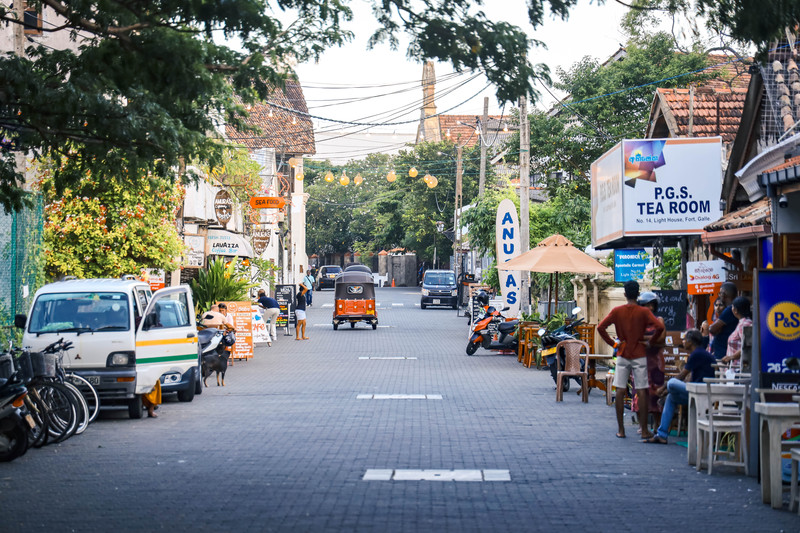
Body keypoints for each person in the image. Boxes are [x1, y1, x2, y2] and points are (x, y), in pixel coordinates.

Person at [597, 280, 665, 439]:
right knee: (642, 390)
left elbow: (601, 327)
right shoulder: (644, 312)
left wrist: (613, 343)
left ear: (625, 294)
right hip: (639, 352)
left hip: (622, 351)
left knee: (620, 390)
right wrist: (650, 342)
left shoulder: (617, 311)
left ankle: (621, 430)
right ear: (638, 294)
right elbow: (659, 327)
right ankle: (645, 430)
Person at [645, 329, 716, 444]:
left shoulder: (697, 354)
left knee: (672, 382)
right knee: (671, 398)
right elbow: (690, 377)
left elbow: (682, 375)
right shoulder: (698, 353)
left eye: (684, 339)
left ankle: (663, 392)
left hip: (701, 391)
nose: (683, 342)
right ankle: (662, 434)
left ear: (690, 341)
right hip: (697, 390)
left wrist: (664, 388)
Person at [637, 291, 667, 432]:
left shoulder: (659, 320)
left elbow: (661, 340)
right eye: (645, 305)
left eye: (650, 305)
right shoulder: (638, 321)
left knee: (656, 392)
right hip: (640, 360)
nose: (648, 308)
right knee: (640, 391)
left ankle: (657, 424)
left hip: (656, 361)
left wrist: (645, 340)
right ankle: (641, 425)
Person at [709, 282, 739, 360]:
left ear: (724, 294)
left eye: (720, 293)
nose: (719, 295)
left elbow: (712, 329)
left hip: (723, 353)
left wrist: (717, 329)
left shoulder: (729, 310)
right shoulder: (733, 307)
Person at [721, 296, 753, 367]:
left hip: (740, 368)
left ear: (735, 310)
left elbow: (748, 347)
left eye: (732, 307)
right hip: (735, 367)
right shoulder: (742, 323)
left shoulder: (745, 324)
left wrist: (731, 357)